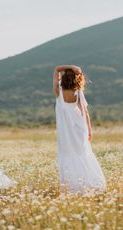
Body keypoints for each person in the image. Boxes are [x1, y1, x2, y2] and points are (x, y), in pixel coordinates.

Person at [53, 65, 106, 194]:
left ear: (64, 78)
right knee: (82, 154)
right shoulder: (78, 92)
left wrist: (69, 67)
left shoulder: (58, 90)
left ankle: (73, 186)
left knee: (68, 155)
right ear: (76, 78)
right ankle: (87, 184)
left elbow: (56, 69)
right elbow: (85, 113)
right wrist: (89, 130)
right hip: (79, 128)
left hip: (66, 131)